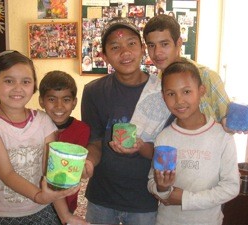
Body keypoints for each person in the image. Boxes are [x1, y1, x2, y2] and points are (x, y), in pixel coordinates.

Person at [0, 50, 85, 225]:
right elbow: (6, 173)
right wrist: (39, 196)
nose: (18, 88)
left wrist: (66, 216)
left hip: (43, 211)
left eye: (25, 81)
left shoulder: (43, 120)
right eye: (9, 81)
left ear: (33, 86)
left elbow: (49, 171)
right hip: (4, 216)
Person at [81, 18, 170, 225]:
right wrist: (88, 162)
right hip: (102, 197)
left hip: (144, 199)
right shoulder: (93, 92)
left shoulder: (162, 92)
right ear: (104, 55)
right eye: (115, 47)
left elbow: (169, 146)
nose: (125, 52)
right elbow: (95, 142)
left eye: (131, 43)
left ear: (141, 48)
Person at [147, 60, 240, 225]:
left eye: (187, 91)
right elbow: (153, 182)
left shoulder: (221, 136)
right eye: (171, 94)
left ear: (201, 91)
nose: (179, 100)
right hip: (167, 221)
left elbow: (231, 187)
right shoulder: (164, 137)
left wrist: (186, 199)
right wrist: (163, 189)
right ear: (163, 96)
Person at [143, 14, 235, 132]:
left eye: (164, 44)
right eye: (151, 45)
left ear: (179, 43)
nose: (157, 52)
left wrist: (231, 123)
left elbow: (229, 124)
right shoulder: (157, 83)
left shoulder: (207, 76)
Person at [39, 70, 91, 217]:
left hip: (67, 202)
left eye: (66, 100)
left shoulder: (82, 130)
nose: (59, 106)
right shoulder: (35, 126)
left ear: (74, 102)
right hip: (36, 201)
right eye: (51, 99)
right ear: (41, 101)